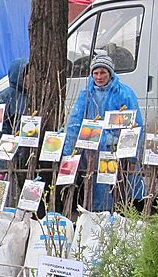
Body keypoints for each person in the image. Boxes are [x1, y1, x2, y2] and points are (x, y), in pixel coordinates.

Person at [61, 53, 144, 211]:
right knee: (96, 188)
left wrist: (132, 155)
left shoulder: (124, 93)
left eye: (103, 72)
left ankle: (119, 217)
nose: (99, 77)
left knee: (119, 187)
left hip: (117, 150)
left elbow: (135, 125)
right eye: (96, 73)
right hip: (92, 151)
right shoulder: (86, 94)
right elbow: (75, 124)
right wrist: (69, 152)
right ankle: (98, 217)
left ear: (110, 73)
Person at [0, 58, 29, 137]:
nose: (29, 78)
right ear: (18, 76)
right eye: (26, 75)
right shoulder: (4, 97)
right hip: (9, 145)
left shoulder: (31, 96)